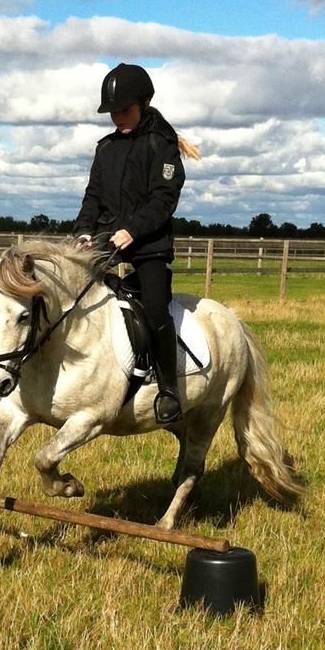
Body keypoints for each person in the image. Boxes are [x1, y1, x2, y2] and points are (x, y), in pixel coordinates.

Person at [73, 62, 194, 425]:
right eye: (112, 113)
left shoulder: (162, 144)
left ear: (144, 102)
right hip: (106, 239)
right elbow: (92, 196)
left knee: (155, 309)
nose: (117, 118)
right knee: (69, 291)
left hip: (148, 244)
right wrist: (83, 230)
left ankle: (169, 391)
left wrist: (133, 231)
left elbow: (163, 199)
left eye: (124, 110)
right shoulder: (105, 148)